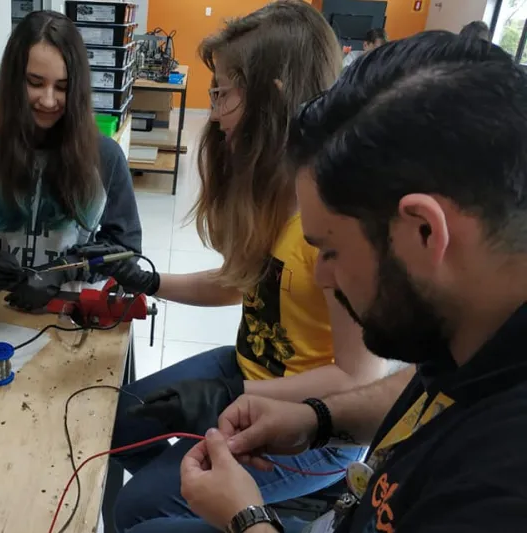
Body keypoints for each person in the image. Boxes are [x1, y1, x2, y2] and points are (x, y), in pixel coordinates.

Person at [180, 31, 527, 533]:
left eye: (332, 250)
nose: (322, 274)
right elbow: (432, 383)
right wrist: (317, 419)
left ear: (425, 231)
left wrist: (249, 520)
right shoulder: (478, 326)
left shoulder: (499, 491)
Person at [80, 3, 386, 532]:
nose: (214, 110)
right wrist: (151, 280)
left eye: (221, 92)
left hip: (314, 421)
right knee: (116, 423)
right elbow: (243, 282)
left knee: (139, 507)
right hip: (244, 368)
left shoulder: (332, 216)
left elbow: (358, 377)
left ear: (271, 94)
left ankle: (208, 494)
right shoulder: (273, 188)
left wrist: (231, 399)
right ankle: (181, 476)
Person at [0, 10, 141, 311]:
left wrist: (69, 269)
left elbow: (126, 249)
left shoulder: (106, 158)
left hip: (74, 312)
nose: (48, 100)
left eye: (62, 87)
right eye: (35, 83)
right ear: (13, 82)